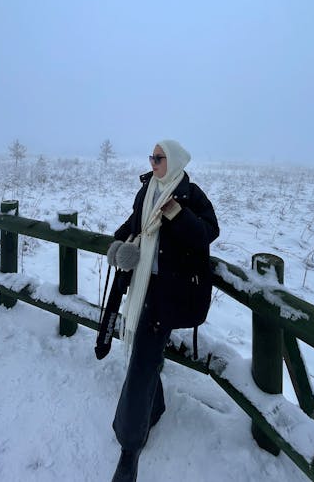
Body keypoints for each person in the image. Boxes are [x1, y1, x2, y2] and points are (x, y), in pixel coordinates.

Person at [106, 139, 219, 482]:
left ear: (175, 160)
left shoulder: (190, 193)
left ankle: (130, 446)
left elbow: (207, 234)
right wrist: (120, 245)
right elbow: (133, 226)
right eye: (151, 157)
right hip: (143, 287)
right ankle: (154, 409)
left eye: (159, 157)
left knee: (142, 361)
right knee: (146, 355)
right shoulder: (148, 189)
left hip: (170, 293)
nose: (153, 162)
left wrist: (177, 214)